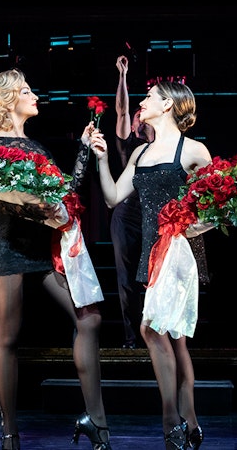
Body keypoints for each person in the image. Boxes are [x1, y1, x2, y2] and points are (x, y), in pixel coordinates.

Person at [0, 68, 111, 450]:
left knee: (90, 318)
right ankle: (10, 432)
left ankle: (96, 421)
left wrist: (84, 149)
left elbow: (64, 192)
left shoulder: (37, 147)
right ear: (8, 100)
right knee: (10, 337)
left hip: (46, 251)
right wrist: (37, 209)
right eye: (27, 91)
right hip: (7, 248)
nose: (35, 96)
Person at [89, 80, 213, 450]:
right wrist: (100, 158)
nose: (142, 103)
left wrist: (188, 229)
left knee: (150, 330)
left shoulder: (193, 150)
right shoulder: (140, 154)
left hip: (177, 254)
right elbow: (112, 197)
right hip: (150, 252)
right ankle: (191, 422)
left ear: (169, 105)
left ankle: (171, 420)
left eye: (149, 97)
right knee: (175, 341)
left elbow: (219, 208)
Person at [109, 55, 151, 349]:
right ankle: (131, 337)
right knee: (127, 281)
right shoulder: (130, 144)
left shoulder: (165, 146)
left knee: (151, 278)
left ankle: (154, 335)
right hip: (126, 217)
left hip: (154, 216)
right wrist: (123, 75)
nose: (139, 115)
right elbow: (122, 111)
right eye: (137, 115)